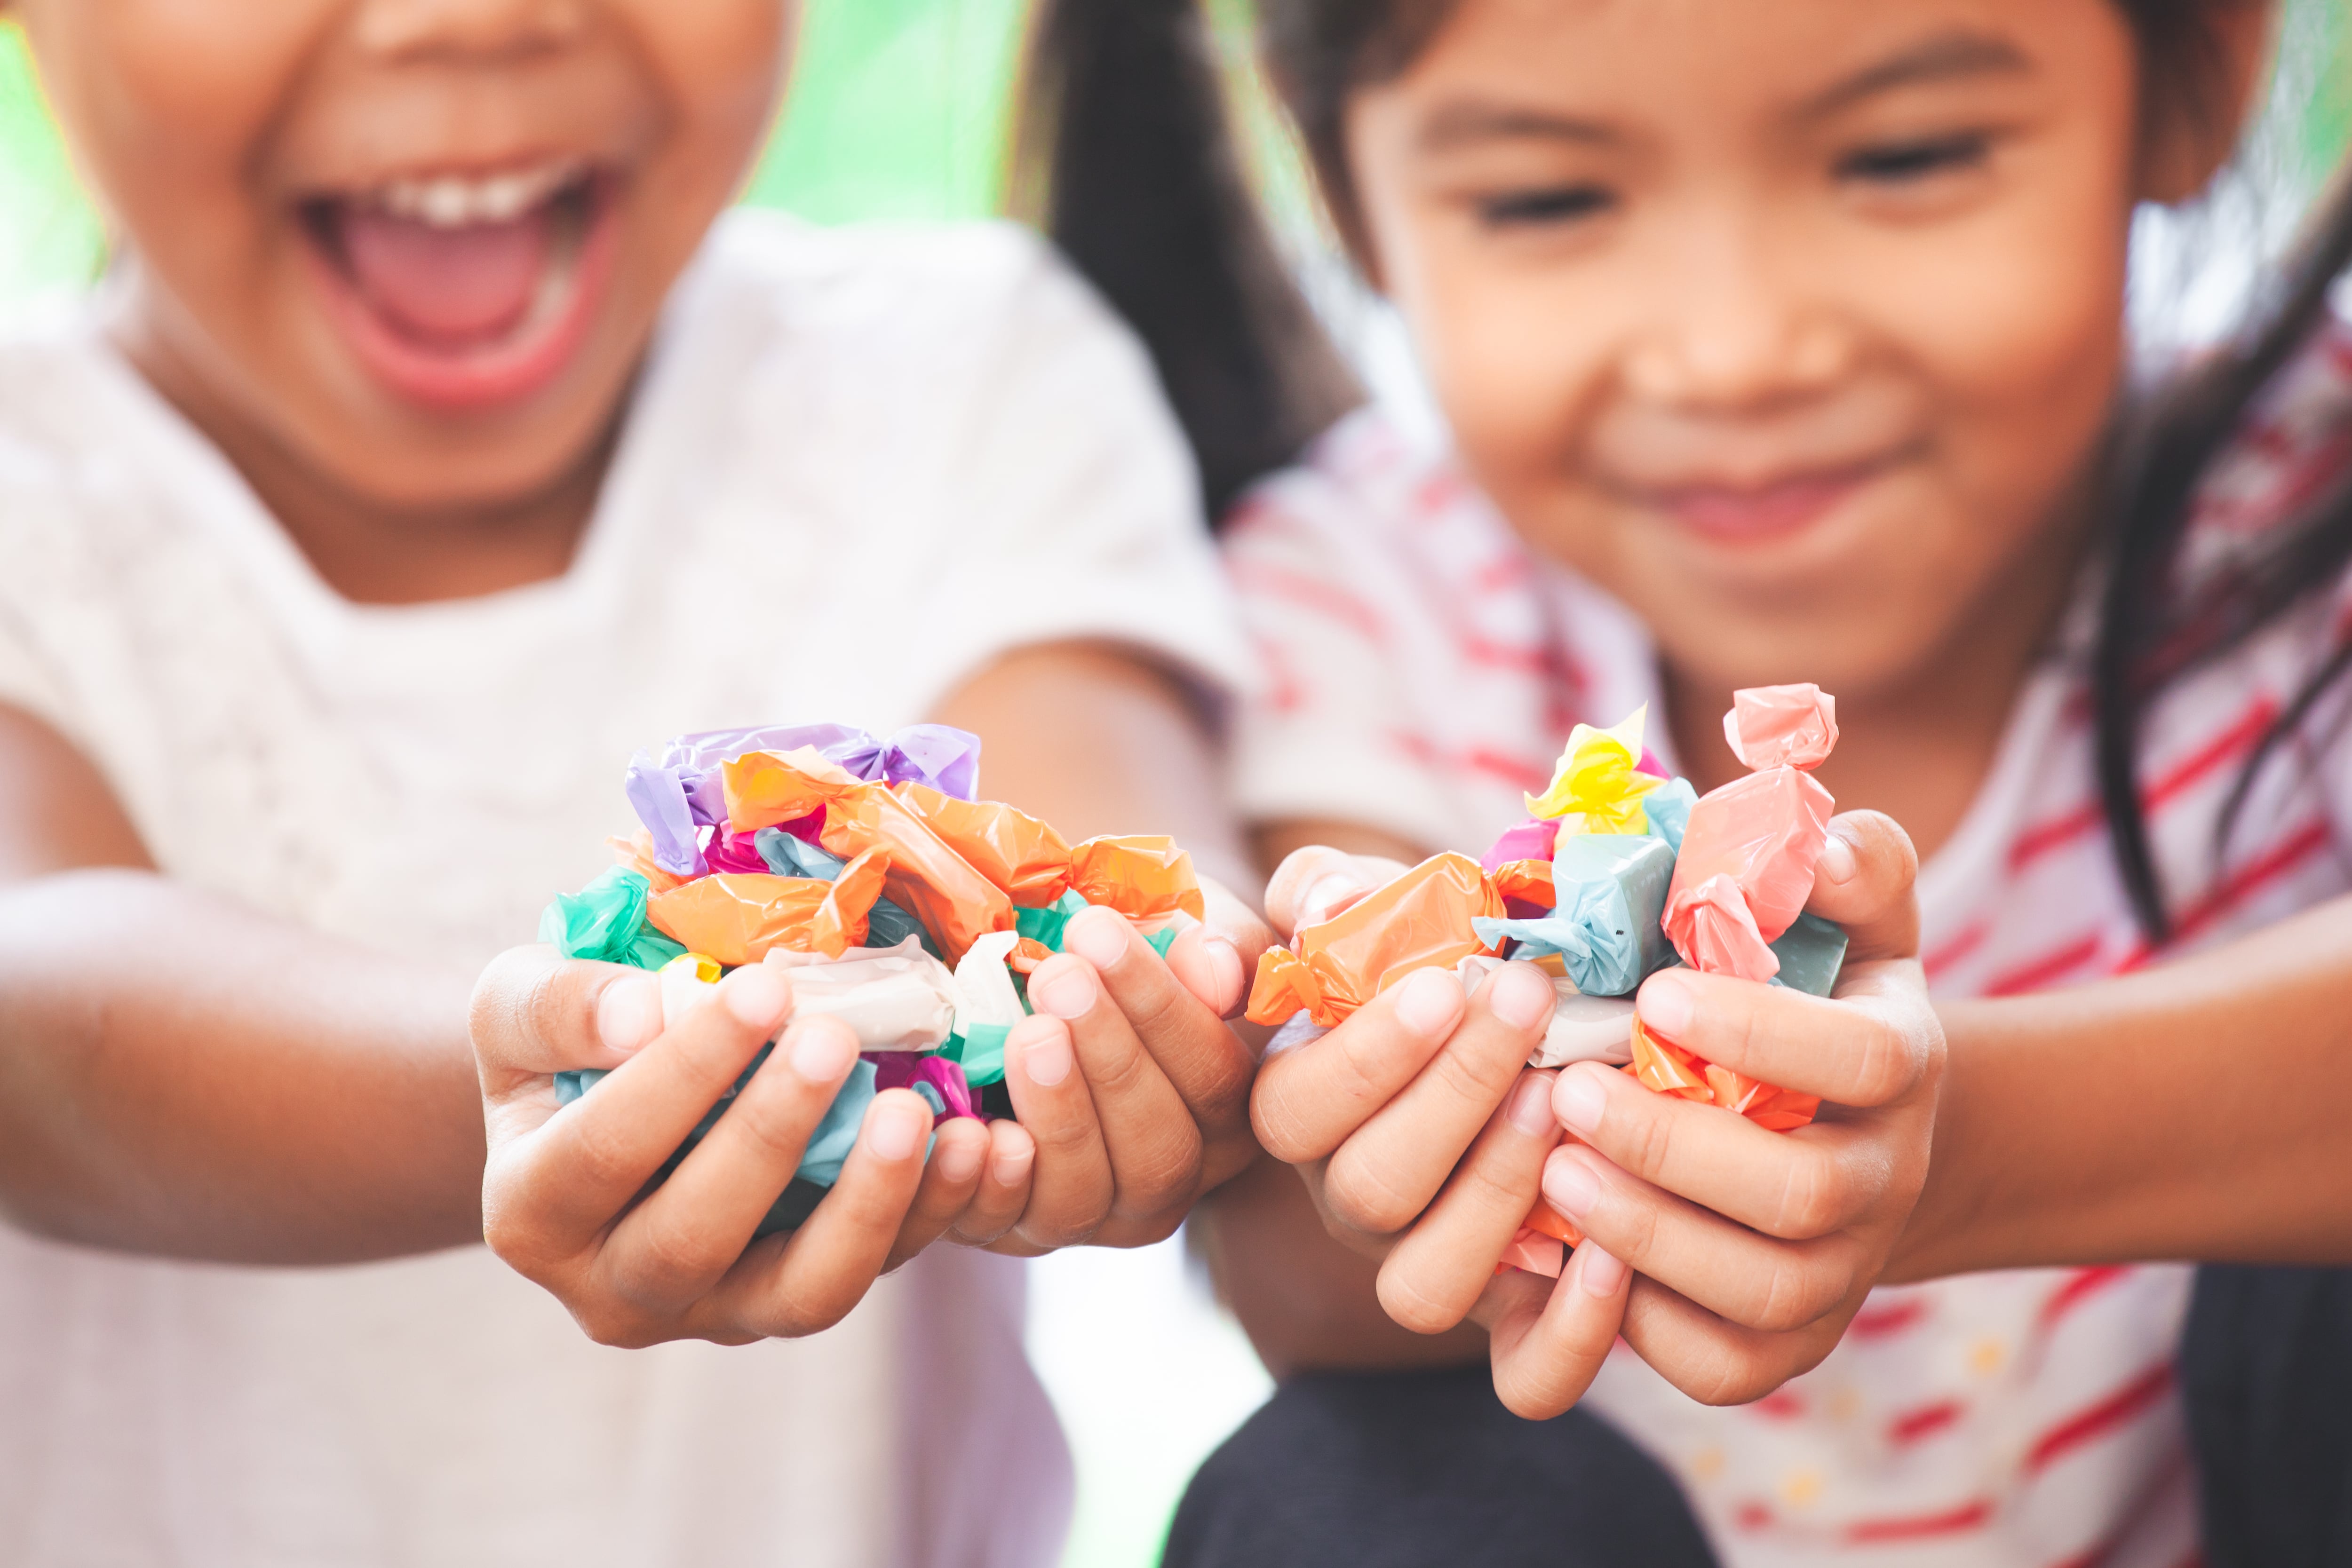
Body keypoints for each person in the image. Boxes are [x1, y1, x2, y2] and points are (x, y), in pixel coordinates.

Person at [1011, 0, 2352, 1563]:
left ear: (2203, 74)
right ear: (1341, 188)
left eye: (1905, 157)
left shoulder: (2307, 522)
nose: (1738, 353)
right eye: (1549, 198)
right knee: (1350, 1494)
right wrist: (1376, 1130)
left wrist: (1935, 1144)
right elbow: (1311, 1276)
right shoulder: (1369, 608)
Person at [0, 1, 1299, 1563]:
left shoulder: (957, 375)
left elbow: (1115, 869)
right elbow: (41, 1012)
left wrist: (1170, 1009)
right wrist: (570, 1072)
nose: (470, 22)